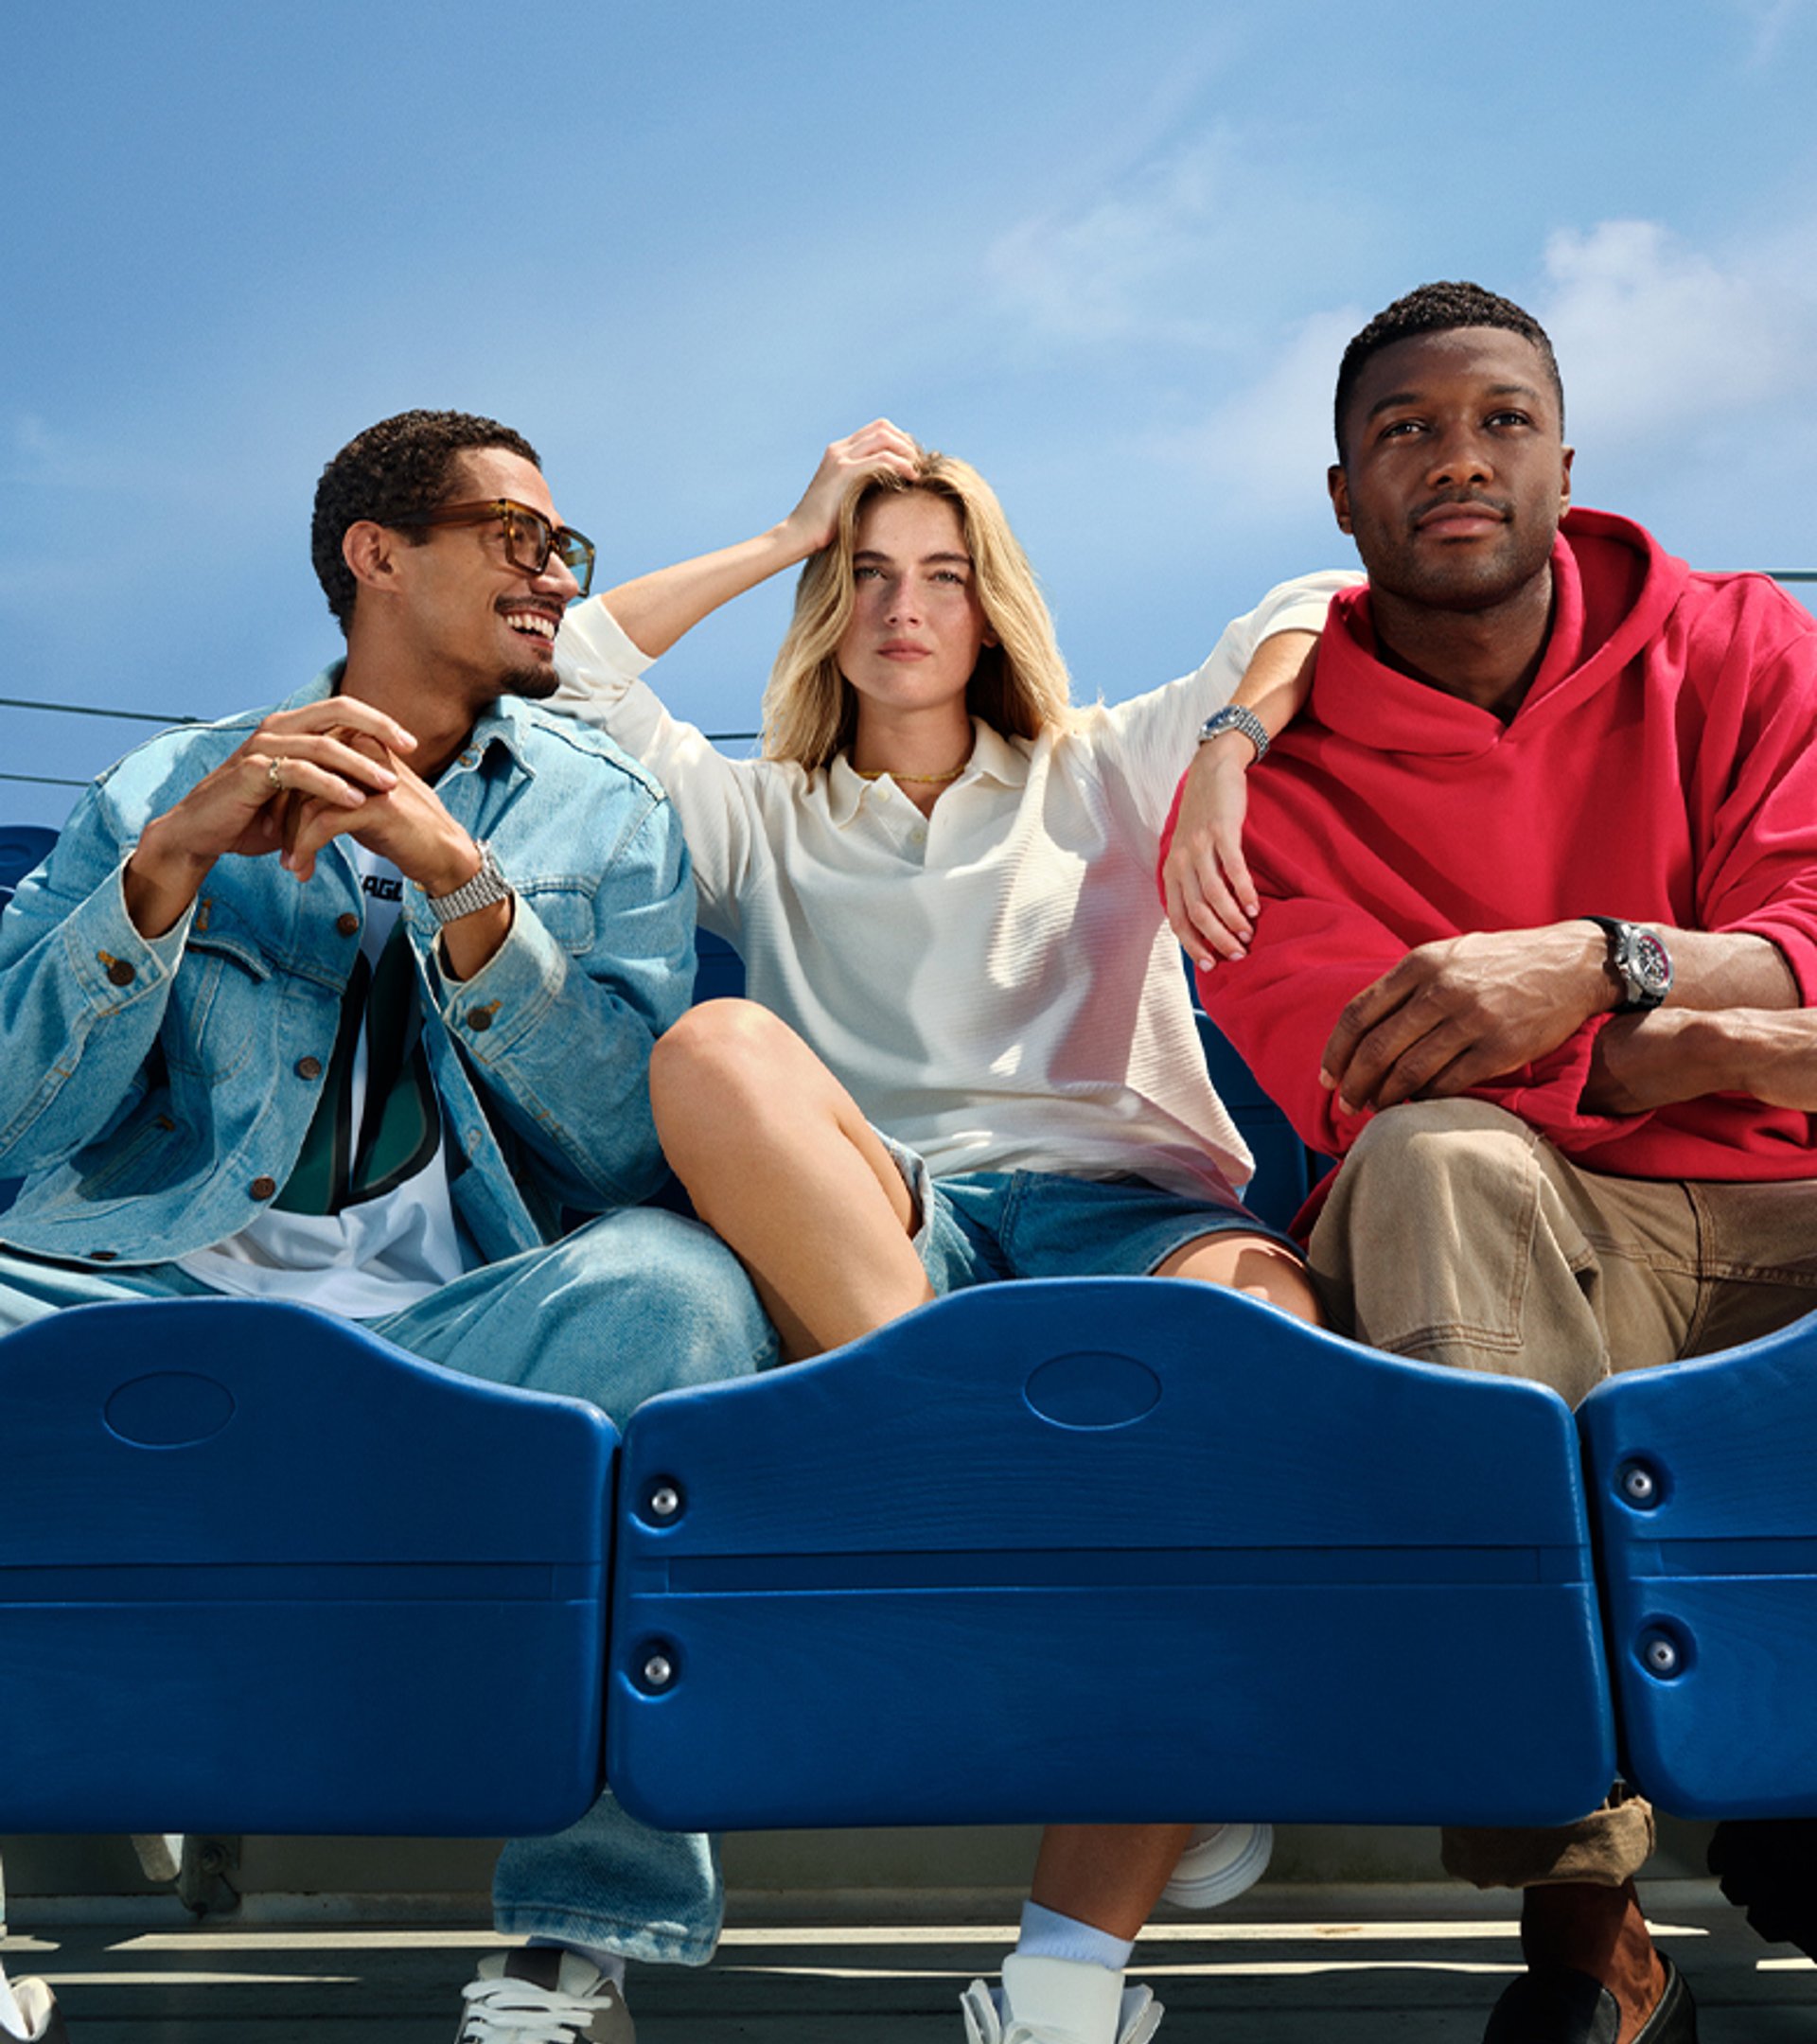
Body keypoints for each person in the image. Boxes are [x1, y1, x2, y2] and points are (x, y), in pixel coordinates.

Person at [546, 421, 1352, 2044]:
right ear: (827, 612)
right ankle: (1016, 1532)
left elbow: (1326, 591)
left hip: (1129, 1220)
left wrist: (1234, 751)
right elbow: (568, 666)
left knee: (1263, 1327)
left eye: (943, 576)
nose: (904, 608)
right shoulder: (753, 816)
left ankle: (1067, 1975)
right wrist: (791, 526)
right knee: (710, 1052)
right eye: (867, 576)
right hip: (903, 1246)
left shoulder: (1105, 766)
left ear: (993, 612)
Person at [0, 410, 779, 2044]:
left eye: (563, 547)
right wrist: (158, 878)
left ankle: (584, 1938)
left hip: (458, 1328)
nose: (554, 574)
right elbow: (14, 1122)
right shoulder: (159, 777)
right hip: (138, 1300)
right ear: (377, 555)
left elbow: (628, 1142)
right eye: (515, 537)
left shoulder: (608, 811)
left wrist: (469, 890)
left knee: (676, 1281)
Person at [1172, 281, 1817, 2044]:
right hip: (1543, 1227)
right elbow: (1359, 1071)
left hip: (1792, 1205)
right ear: (1340, 496)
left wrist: (1587, 959)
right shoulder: (1261, 784)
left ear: (1563, 454)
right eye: (1405, 430)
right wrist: (1701, 1020)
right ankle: (1584, 1913)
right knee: (1434, 1171)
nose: (1458, 459)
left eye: (1499, 420)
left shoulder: (1743, 642)